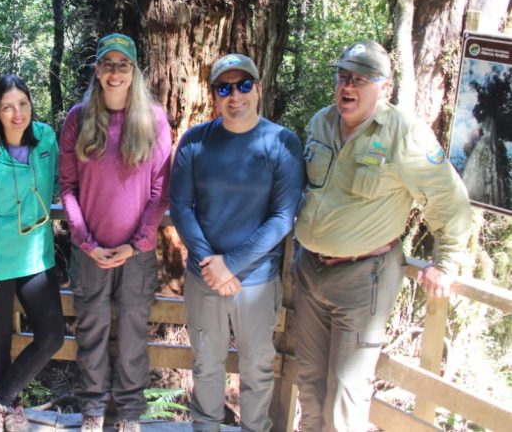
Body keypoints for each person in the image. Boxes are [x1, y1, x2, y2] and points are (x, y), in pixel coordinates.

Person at [293, 40, 473, 431]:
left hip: (364, 279)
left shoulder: (403, 135)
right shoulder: (321, 122)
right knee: (308, 385)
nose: (347, 86)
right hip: (309, 273)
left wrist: (446, 262)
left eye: (359, 79)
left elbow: (449, 200)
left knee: (345, 394)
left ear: (385, 87)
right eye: (343, 76)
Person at [170, 54, 305, 431]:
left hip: (257, 281)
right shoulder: (196, 141)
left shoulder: (282, 142)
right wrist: (210, 261)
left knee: (258, 368)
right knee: (206, 366)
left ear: (258, 89)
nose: (235, 95)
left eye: (244, 85)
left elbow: (283, 217)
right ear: (214, 94)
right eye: (224, 88)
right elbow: (180, 206)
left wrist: (231, 264)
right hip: (205, 277)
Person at [59, 33, 172, 432]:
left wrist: (137, 243)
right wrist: (85, 242)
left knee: (132, 334)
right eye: (107, 64)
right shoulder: (79, 117)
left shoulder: (154, 119)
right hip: (90, 251)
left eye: (122, 65)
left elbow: (161, 190)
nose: (114, 73)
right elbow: (67, 188)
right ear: (97, 70)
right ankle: (91, 409)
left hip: (136, 253)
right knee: (91, 331)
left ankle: (128, 414)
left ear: (134, 70)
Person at [0, 75, 65, 432]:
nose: (18, 113)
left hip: (36, 256)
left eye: (23, 104)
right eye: (8, 107)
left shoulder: (46, 139)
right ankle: (10, 407)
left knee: (52, 336)